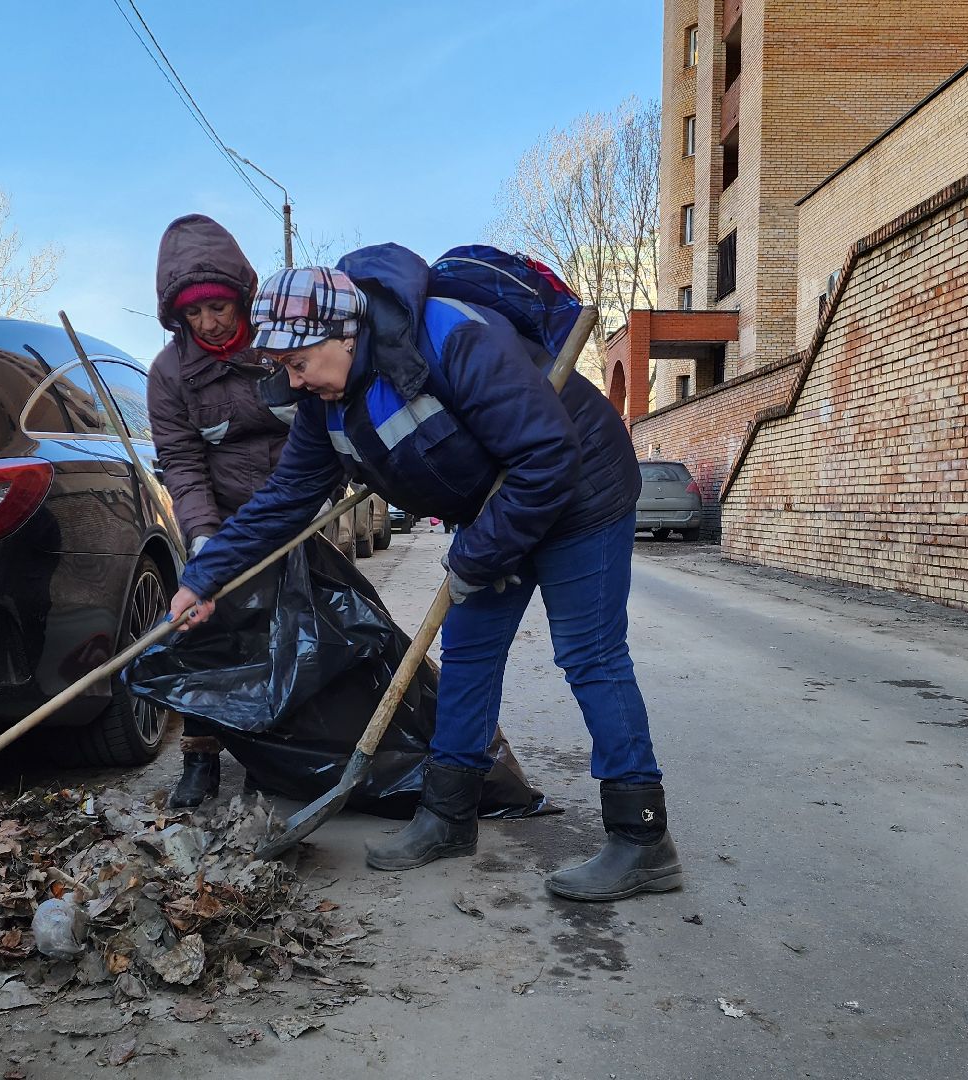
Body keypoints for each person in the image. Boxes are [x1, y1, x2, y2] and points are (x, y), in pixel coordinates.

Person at [169, 245, 682, 902]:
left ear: (344, 335)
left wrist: (473, 556)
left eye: (298, 364)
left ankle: (642, 839)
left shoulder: (453, 337)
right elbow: (280, 504)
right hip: (495, 503)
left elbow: (547, 456)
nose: (293, 382)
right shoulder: (327, 407)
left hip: (578, 490)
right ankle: (447, 816)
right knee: (467, 654)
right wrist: (203, 578)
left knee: (589, 654)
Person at [144, 214, 294, 808]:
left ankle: (275, 754)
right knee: (205, 632)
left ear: (242, 299)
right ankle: (202, 754)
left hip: (293, 510)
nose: (208, 323)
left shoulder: (283, 344)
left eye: (219, 308)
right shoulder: (169, 375)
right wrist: (205, 540)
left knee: (288, 631)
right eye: (193, 314)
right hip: (221, 516)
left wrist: (310, 503)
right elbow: (181, 460)